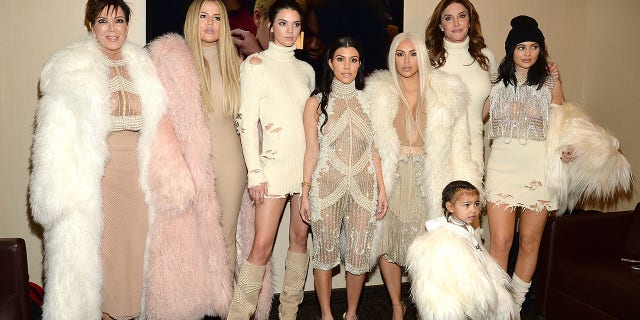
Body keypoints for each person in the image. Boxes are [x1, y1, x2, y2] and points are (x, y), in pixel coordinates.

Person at [29, 0, 186, 318]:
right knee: (101, 260)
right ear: (90, 25)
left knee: (135, 258)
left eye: (119, 21)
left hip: (138, 177)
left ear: (128, 25)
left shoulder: (145, 66)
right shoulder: (70, 69)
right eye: (103, 21)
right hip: (96, 177)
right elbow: (52, 138)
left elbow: (164, 127)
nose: (112, 29)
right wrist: (52, 191)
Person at [366, 32, 482, 320]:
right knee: (388, 243)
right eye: (400, 54)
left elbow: (459, 145)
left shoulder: (446, 91)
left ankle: (425, 306)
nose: (406, 61)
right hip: (392, 176)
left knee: (426, 247)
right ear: (392, 58)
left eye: (412, 53)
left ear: (422, 55)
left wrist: (463, 189)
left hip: (430, 176)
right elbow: (369, 144)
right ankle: (396, 305)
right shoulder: (377, 91)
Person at [145, 0, 246, 318]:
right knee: (193, 238)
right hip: (191, 161)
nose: (210, 23)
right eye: (204, 16)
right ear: (193, 20)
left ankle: (225, 307)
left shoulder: (236, 63)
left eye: (217, 17)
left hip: (231, 160)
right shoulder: (176, 61)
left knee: (226, 236)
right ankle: (195, 307)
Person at [228, 0, 315, 319]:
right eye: (283, 23)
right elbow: (246, 121)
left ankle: (289, 314)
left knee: (300, 239)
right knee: (261, 247)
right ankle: (238, 315)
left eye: (295, 25)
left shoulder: (306, 70)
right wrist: (255, 173)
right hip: (272, 170)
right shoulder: (255, 66)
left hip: (305, 170)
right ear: (269, 26)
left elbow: (309, 124)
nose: (289, 31)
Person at [299, 36, 388, 320]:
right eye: (340, 59)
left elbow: (374, 150)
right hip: (325, 187)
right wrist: (305, 192)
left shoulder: (370, 101)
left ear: (360, 64)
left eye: (353, 60)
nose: (347, 66)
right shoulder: (315, 102)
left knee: (359, 255)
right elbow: (311, 150)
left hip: (364, 187)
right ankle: (326, 314)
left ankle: (352, 314)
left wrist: (382, 190)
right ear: (330, 63)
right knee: (324, 253)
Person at [483, 15, 565, 312]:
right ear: (510, 50)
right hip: (502, 167)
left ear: (541, 49)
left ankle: (514, 307)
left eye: (534, 46)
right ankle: (497, 308)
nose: (528, 53)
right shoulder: (494, 80)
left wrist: (568, 150)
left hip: (537, 169)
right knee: (501, 242)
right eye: (521, 47)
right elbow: (474, 116)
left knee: (530, 241)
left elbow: (561, 126)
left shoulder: (550, 81)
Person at [407, 181, 518, 320]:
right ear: (450, 207)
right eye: (467, 205)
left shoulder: (467, 228)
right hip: (456, 292)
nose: (473, 210)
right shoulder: (446, 235)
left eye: (476, 204)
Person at [425, 0, 497, 181]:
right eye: (449, 18)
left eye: (462, 16)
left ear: (470, 21)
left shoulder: (486, 57)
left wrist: (473, 123)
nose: (456, 24)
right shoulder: (429, 58)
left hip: (473, 145)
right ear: (441, 25)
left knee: (469, 205)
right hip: (437, 149)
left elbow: (494, 95)